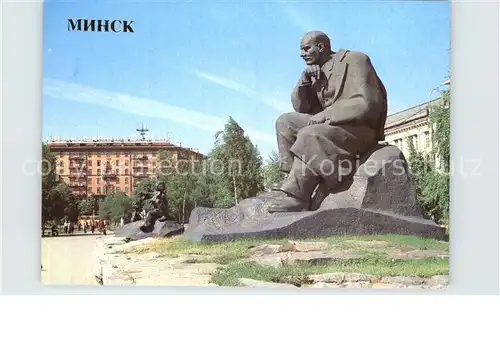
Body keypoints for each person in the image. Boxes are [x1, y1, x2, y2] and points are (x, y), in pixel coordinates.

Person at [269, 31, 388, 212]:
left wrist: (327, 114)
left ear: (321, 47)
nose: (302, 54)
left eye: (306, 48)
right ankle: (294, 182)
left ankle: (298, 197)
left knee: (310, 134)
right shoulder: (315, 71)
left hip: (358, 129)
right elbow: (301, 109)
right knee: (285, 123)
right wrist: (304, 82)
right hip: (332, 126)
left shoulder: (355, 60)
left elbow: (366, 103)